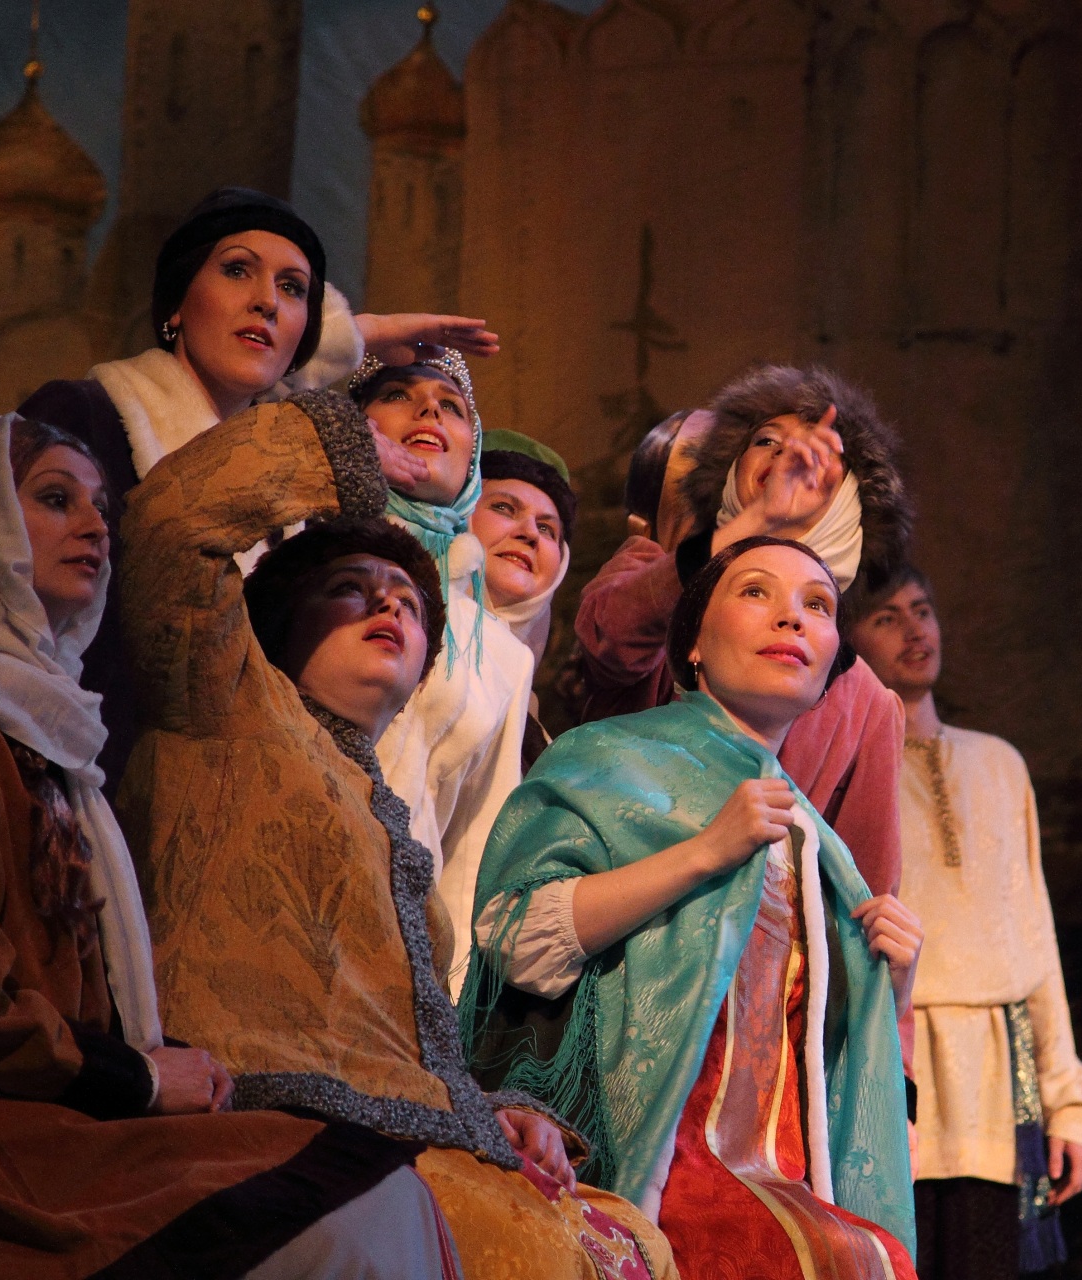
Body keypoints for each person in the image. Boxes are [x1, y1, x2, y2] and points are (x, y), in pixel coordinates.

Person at [0, 417, 455, 1280]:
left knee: (391, 1201)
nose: (93, 525)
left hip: (54, 1108)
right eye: (54, 499)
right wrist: (140, 1079)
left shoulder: (51, 740)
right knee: (366, 1213)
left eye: (98, 507)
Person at [110, 387, 675, 1280]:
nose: (390, 606)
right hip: (253, 1134)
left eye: (411, 602)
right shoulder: (222, 708)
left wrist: (486, 1113)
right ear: (280, 625)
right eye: (351, 590)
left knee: (621, 1237)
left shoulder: (385, 819)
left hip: (368, 1149)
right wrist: (347, 446)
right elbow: (170, 527)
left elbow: (380, 1054)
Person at [465, 536, 925, 1280]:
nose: (792, 618)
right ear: (695, 646)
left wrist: (888, 988)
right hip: (625, 1161)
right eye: (755, 591)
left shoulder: (819, 848)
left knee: (871, 1259)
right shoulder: (606, 760)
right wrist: (703, 852)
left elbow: (804, 1073)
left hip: (775, 1181)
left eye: (817, 605)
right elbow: (515, 940)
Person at [19, 185, 498, 790]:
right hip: (79, 776)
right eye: (237, 270)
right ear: (177, 303)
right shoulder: (86, 420)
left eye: (293, 289)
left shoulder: (301, 501)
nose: (266, 302)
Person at [570, 368, 911, 904]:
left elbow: (862, 892)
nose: (787, 457)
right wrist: (758, 522)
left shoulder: (865, 702)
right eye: (766, 441)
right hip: (616, 905)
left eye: (817, 454)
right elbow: (610, 637)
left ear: (850, 498)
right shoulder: (656, 577)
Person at [848, 567, 1082, 1279]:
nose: (914, 629)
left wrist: (1068, 1102)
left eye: (922, 610)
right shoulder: (842, 767)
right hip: (892, 1064)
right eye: (887, 617)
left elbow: (1035, 936)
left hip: (994, 1072)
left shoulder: (998, 763)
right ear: (851, 638)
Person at [344, 353, 534, 991]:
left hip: (401, 945)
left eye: (451, 406)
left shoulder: (499, 652)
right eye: (399, 394)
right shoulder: (295, 557)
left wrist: (444, 1002)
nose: (429, 409)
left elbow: (475, 850)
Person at [468, 430, 575, 768]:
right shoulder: (405, 645)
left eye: (547, 529)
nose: (529, 533)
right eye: (504, 508)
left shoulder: (538, 741)